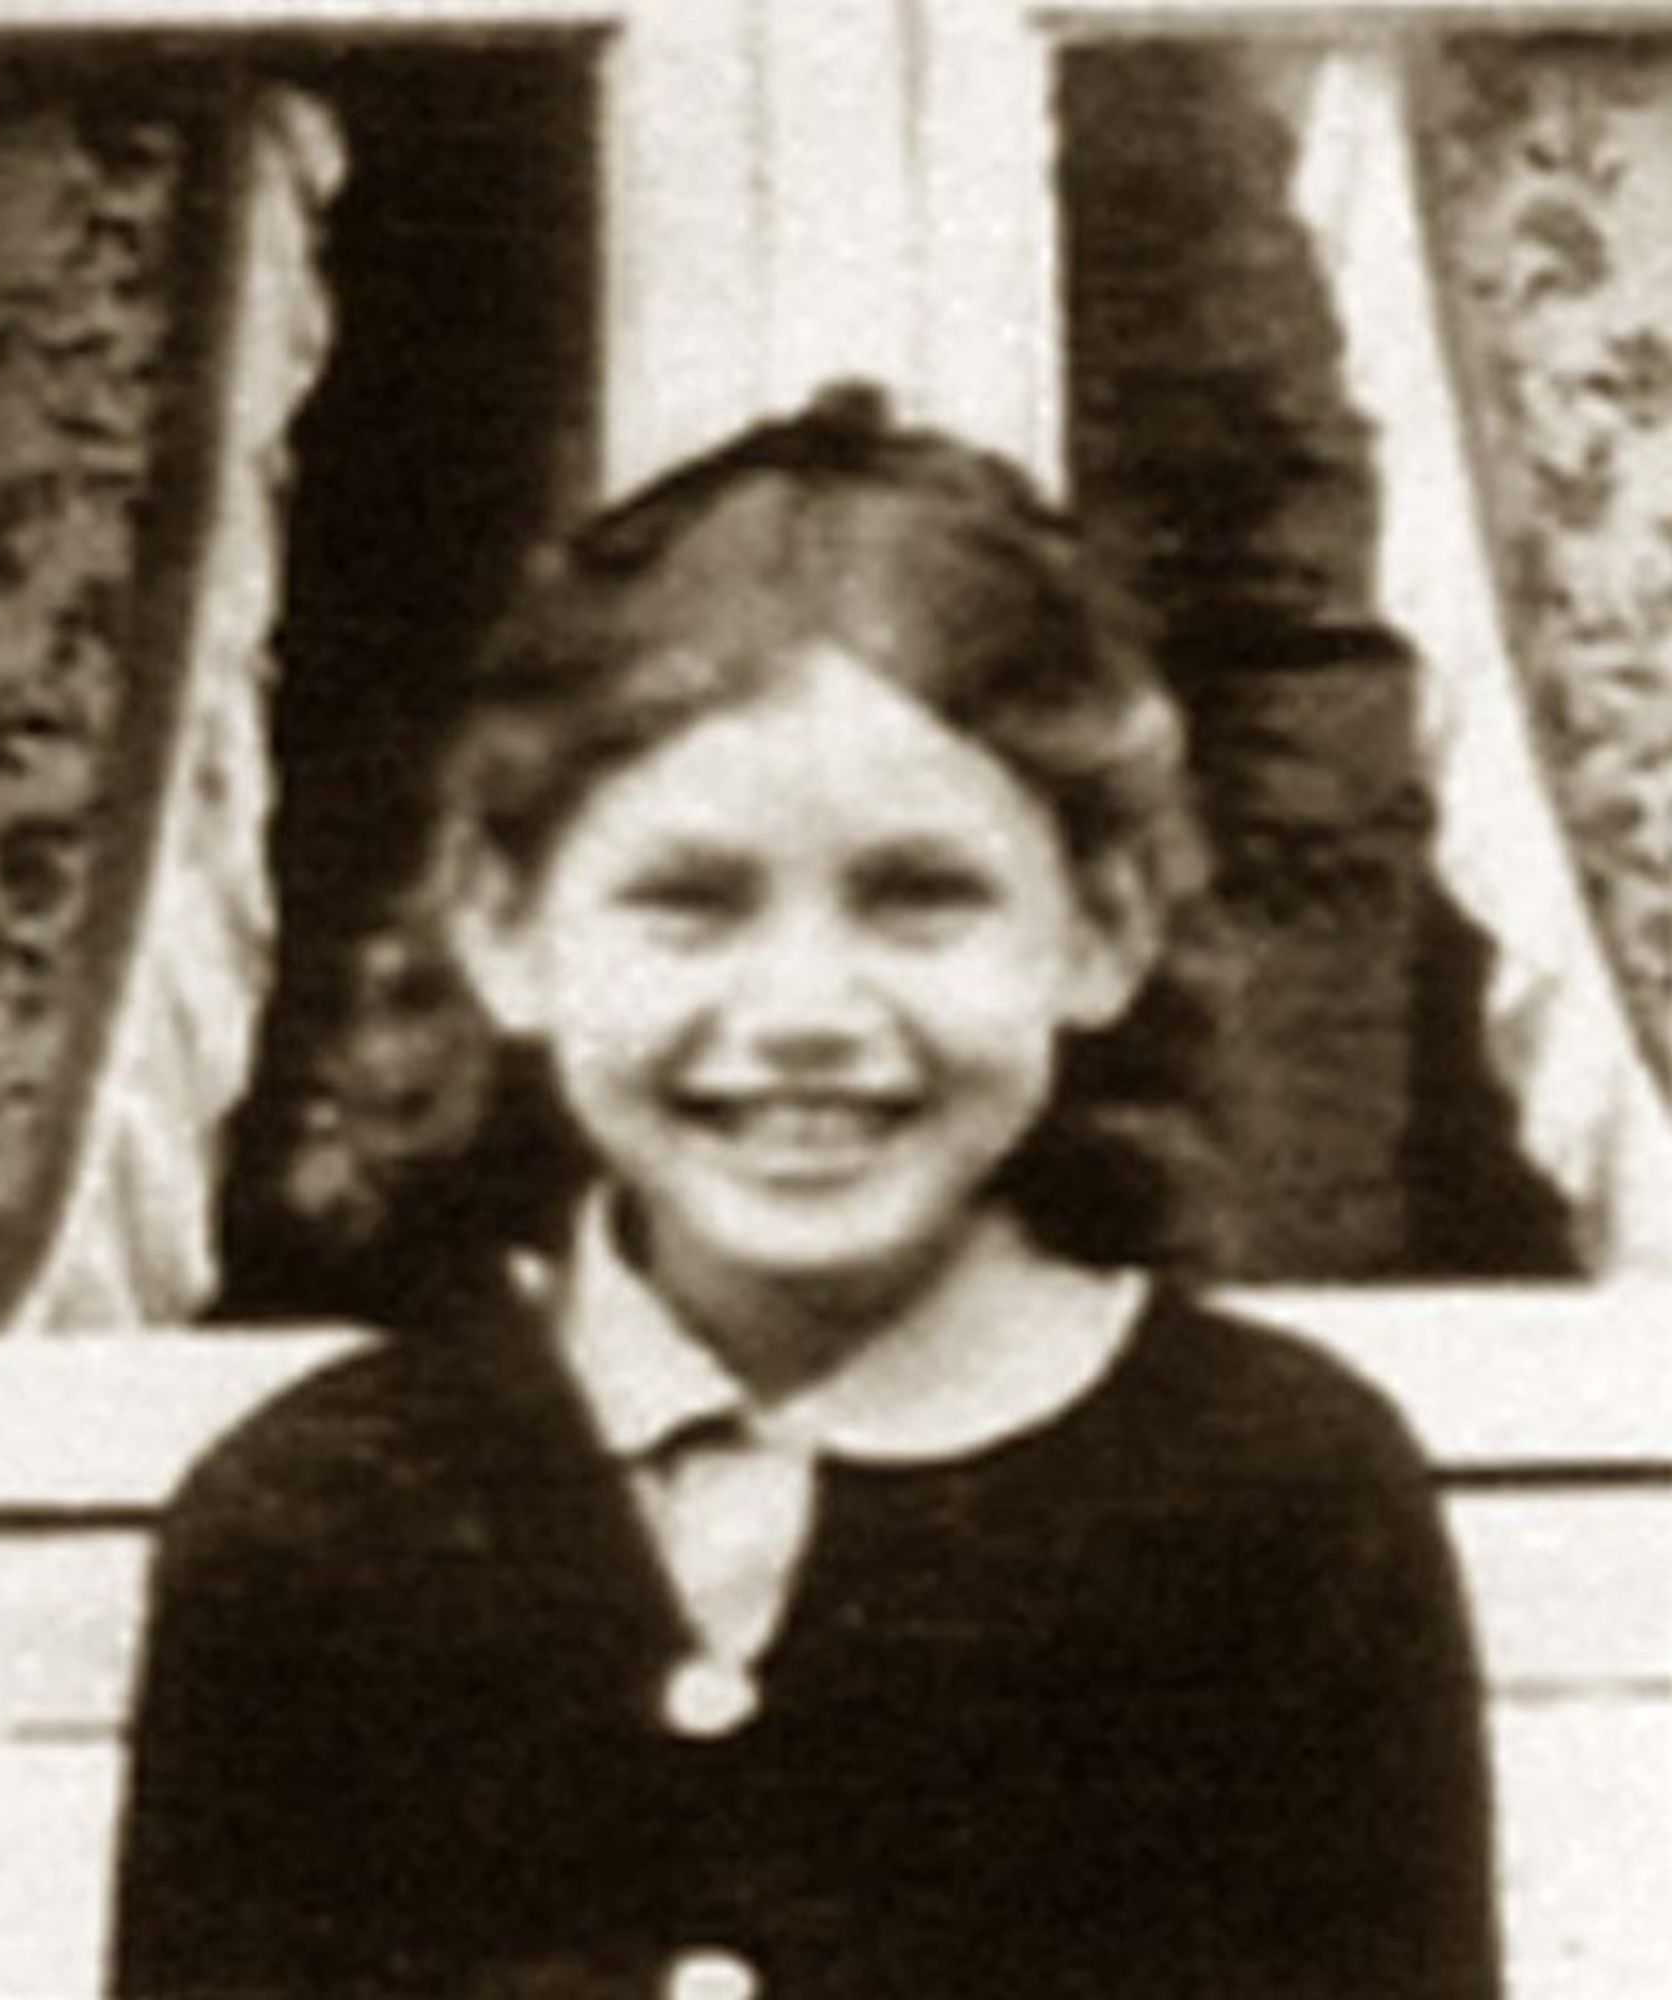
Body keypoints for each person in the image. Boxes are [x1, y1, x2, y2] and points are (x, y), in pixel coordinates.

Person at [112, 388, 1499, 1999]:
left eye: (919, 898)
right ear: (504, 931)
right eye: (690, 902)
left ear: (1102, 931)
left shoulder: (1280, 1509)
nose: (805, 1009)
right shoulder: (315, 1524)